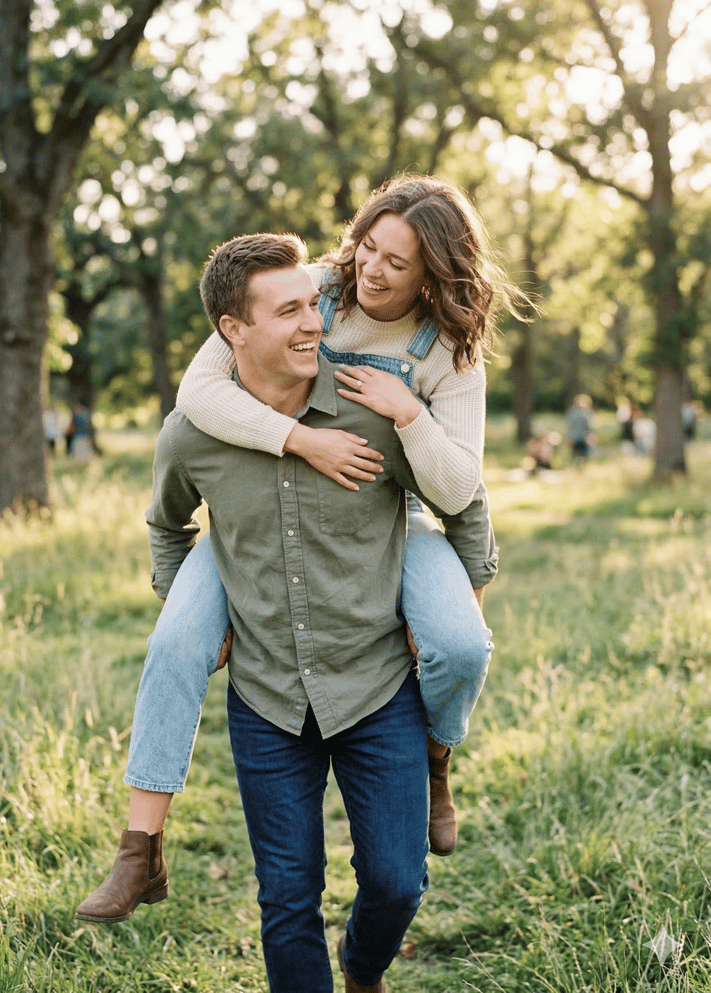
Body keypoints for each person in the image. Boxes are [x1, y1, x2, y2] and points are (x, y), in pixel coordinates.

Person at [77, 175, 517, 924]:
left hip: (387, 518)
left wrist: (409, 413)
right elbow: (199, 394)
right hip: (260, 514)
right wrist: (302, 439)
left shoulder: (448, 351)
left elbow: (459, 485)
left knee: (459, 643)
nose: (371, 270)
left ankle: (436, 762)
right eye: (367, 247)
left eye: (397, 263)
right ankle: (139, 846)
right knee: (176, 641)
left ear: (434, 275)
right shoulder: (311, 287)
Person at [565, 393, 594, 461]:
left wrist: (591, 436)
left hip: (585, 438)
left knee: (585, 456)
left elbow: (590, 427)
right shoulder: (572, 412)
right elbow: (569, 426)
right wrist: (569, 438)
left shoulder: (588, 412)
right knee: (575, 456)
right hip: (575, 438)